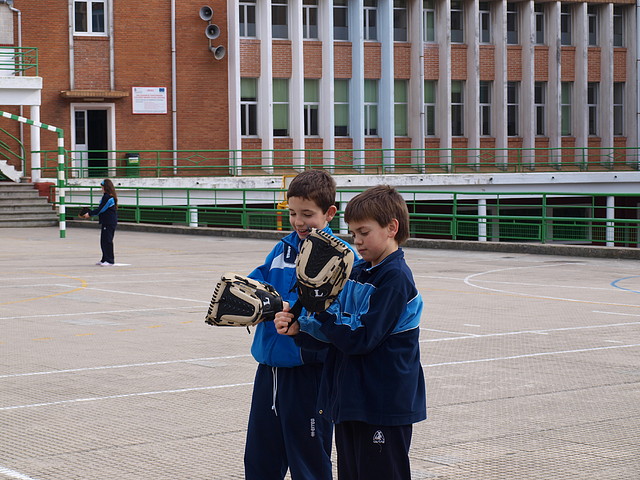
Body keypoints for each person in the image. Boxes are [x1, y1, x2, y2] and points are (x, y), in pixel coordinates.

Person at [275, 185, 426, 480]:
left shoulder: (395, 279)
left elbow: (360, 339)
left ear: (391, 228)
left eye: (364, 232)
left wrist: (319, 310)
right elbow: (335, 336)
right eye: (353, 233)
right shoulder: (358, 272)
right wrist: (300, 328)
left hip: (382, 403)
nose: (357, 241)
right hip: (352, 402)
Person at [244, 169, 355, 480]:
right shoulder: (282, 249)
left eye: (307, 214)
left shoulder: (343, 258)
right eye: (293, 213)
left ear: (330, 213)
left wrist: (301, 319)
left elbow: (344, 315)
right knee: (260, 461)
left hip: (311, 374)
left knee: (309, 464)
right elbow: (257, 284)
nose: (298, 221)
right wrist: (250, 301)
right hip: (269, 370)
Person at [83, 178, 118, 266]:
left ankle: (110, 260)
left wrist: (90, 214)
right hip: (106, 221)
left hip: (109, 222)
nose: (101, 189)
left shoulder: (108, 197)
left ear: (106, 187)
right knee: (103, 240)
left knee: (107, 240)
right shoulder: (106, 196)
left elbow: (101, 209)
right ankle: (104, 259)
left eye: (102, 187)